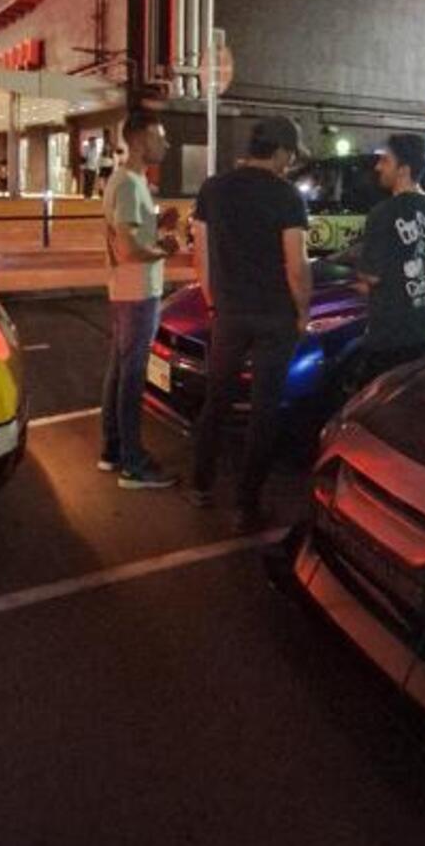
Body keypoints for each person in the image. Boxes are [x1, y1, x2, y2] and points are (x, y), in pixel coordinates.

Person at [189, 117, 311, 531]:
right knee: (264, 410)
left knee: (216, 398)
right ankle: (246, 504)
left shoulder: (214, 189)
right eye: (289, 155)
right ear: (279, 151)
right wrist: (303, 311)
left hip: (229, 312)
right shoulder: (286, 196)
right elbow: (296, 265)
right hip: (274, 315)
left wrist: (212, 300)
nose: (289, 163)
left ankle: (201, 482)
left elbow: (200, 254)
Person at [99, 110, 179, 489]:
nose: (165, 144)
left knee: (119, 370)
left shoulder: (124, 180)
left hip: (123, 289)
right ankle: (134, 463)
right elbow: (130, 248)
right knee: (132, 377)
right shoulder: (130, 183)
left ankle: (112, 450)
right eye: (159, 136)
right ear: (140, 138)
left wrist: (157, 226)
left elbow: (130, 234)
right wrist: (165, 248)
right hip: (137, 291)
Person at [356, 130, 425, 380]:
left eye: (385, 160)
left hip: (390, 337)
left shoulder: (383, 214)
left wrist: (363, 282)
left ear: (403, 169)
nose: (378, 167)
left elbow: (372, 277)